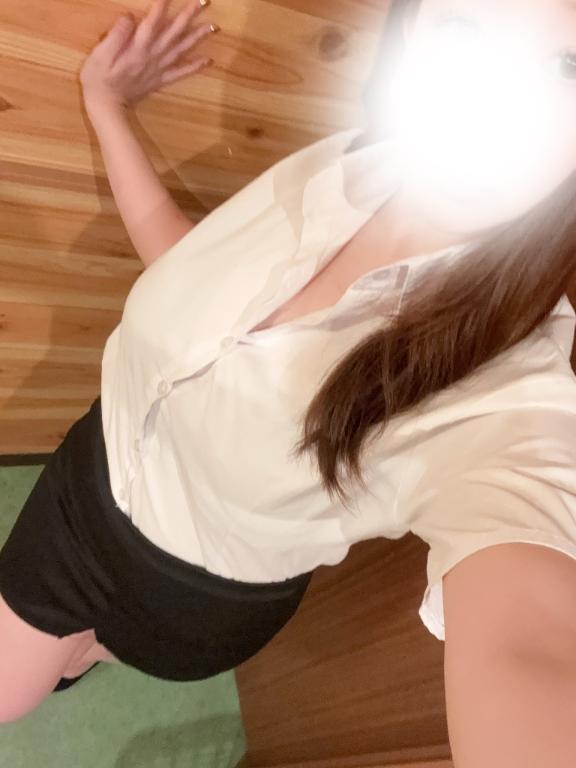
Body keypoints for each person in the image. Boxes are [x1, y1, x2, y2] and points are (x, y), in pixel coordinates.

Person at [2, 0, 576, 762]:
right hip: (83, 488)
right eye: (465, 28)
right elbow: (191, 279)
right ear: (413, 26)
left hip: (195, 604)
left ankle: (89, 650)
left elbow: (532, 639)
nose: (500, 103)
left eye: (569, 66)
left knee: (53, 666)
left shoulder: (510, 395)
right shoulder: (348, 167)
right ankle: (78, 650)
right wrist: (106, 107)